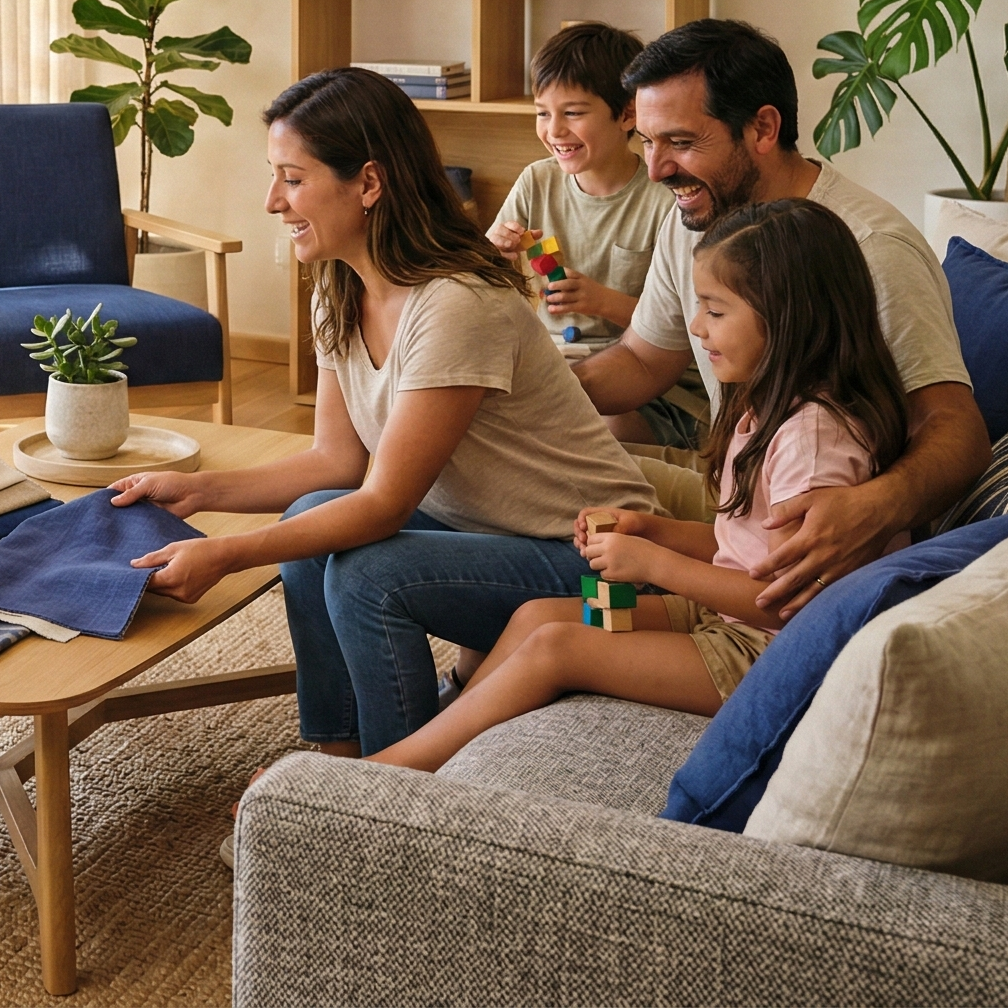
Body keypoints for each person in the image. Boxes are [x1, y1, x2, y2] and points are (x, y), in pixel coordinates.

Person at [110, 67, 656, 757]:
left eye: (293, 177)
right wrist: (198, 491)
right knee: (311, 519)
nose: (272, 200)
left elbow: (384, 506)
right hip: (495, 537)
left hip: (606, 570)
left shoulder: (457, 304)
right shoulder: (339, 285)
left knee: (369, 572)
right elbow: (337, 463)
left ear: (368, 183)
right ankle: (336, 753)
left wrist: (226, 554)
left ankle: (386, 785)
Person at [365, 196, 910, 772]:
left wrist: (653, 564)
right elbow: (748, 552)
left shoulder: (814, 441)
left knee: (557, 648)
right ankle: (446, 747)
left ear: (791, 316)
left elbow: (786, 602)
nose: (697, 328)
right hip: (726, 621)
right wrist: (655, 529)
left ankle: (397, 766)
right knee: (536, 618)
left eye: (715, 311)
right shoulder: (769, 411)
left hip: (766, 655)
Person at [574, 18, 990, 624]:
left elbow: (957, 428)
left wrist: (875, 507)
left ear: (763, 128)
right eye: (647, 143)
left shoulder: (870, 249)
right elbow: (642, 361)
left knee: (556, 503)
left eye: (682, 142)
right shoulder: (695, 215)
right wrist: (537, 393)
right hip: (737, 482)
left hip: (792, 503)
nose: (657, 169)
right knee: (541, 469)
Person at [483, 22, 691, 446]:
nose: (553, 130)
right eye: (543, 113)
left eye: (573, 113)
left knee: (602, 429)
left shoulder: (664, 200)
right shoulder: (536, 182)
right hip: (554, 366)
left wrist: (603, 302)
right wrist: (494, 257)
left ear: (627, 114)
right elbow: (479, 285)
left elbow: (685, 327)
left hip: (647, 386)